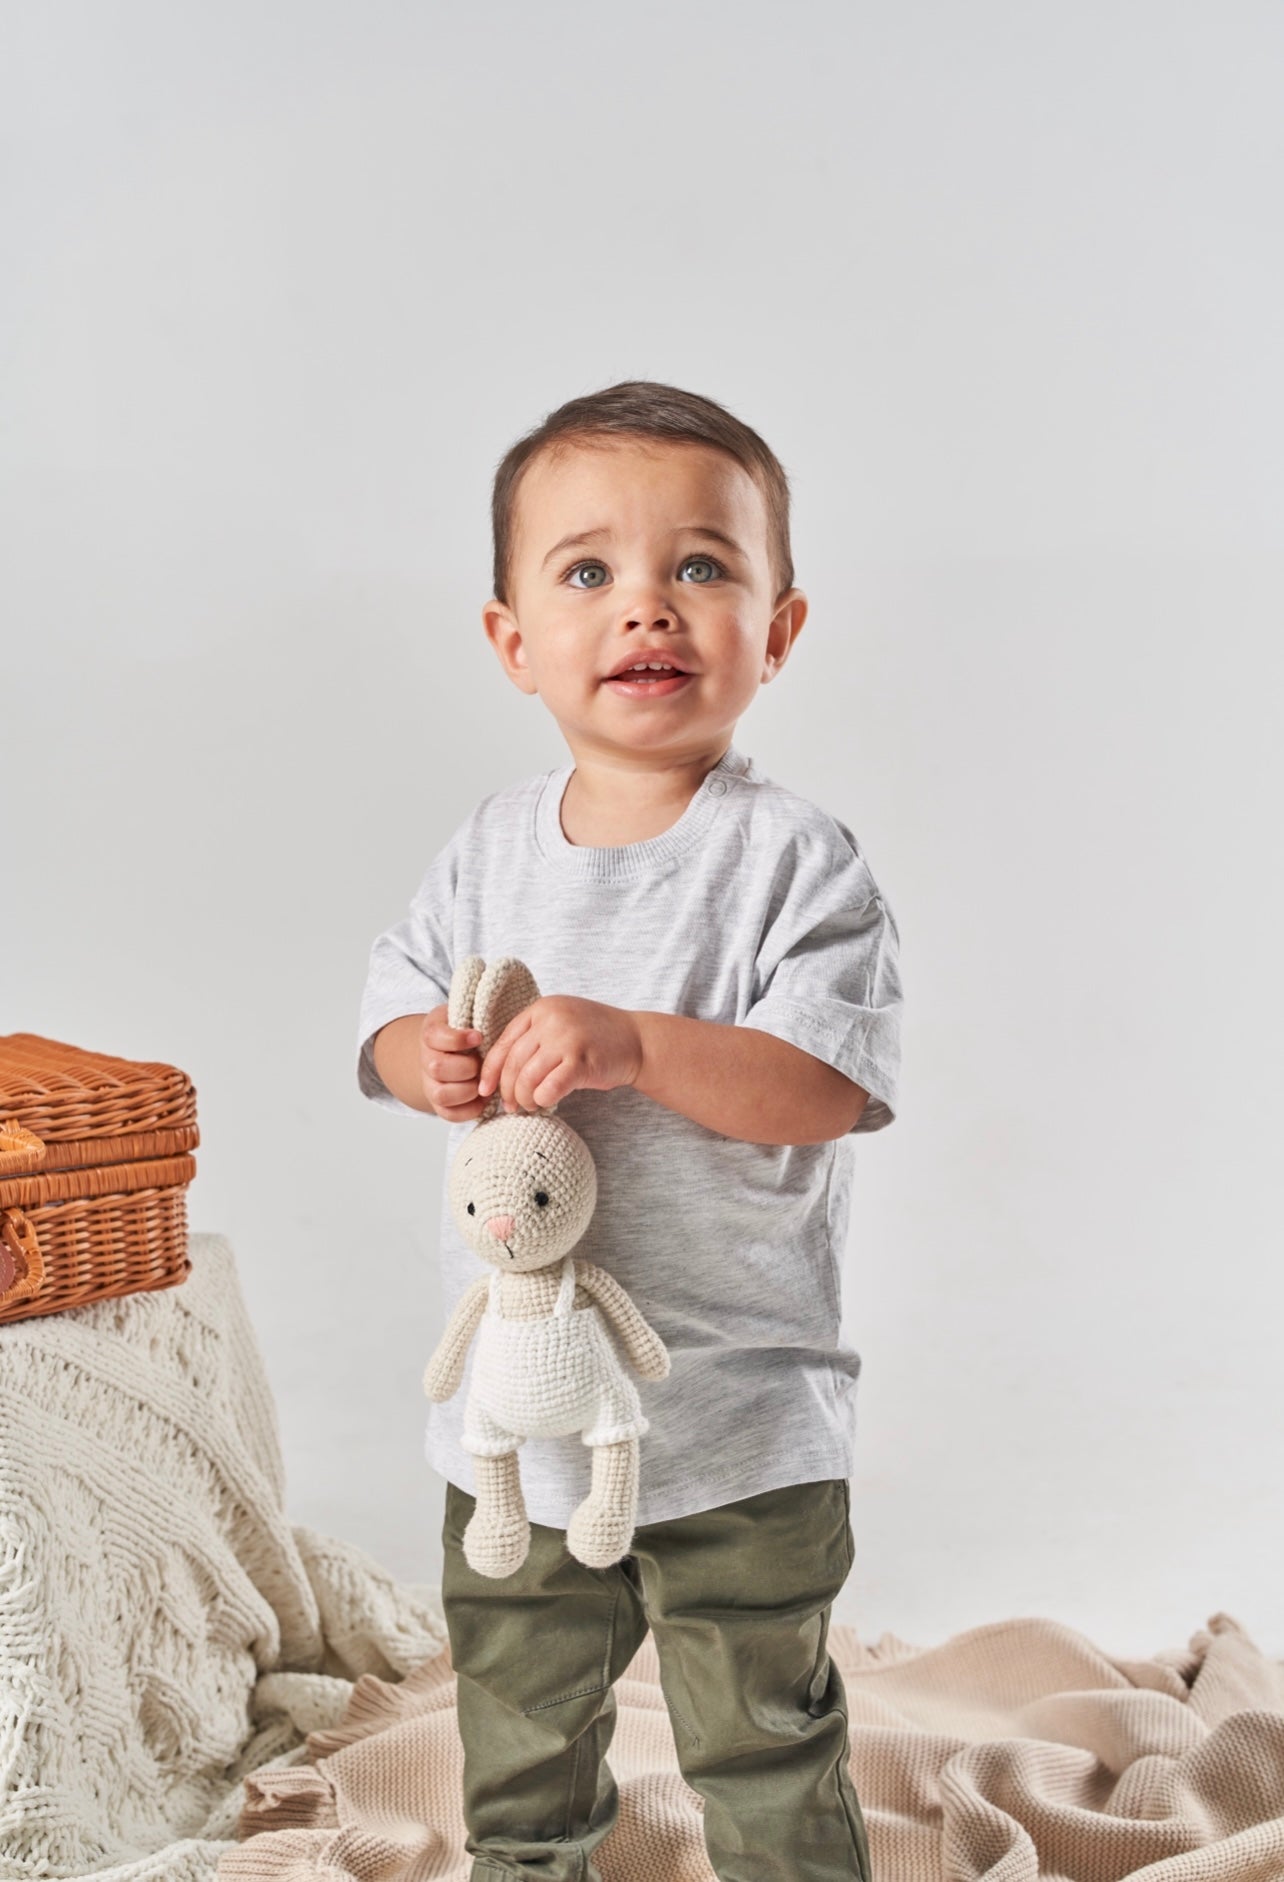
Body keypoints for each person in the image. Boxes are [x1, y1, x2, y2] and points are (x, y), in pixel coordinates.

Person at [355, 380, 903, 1881]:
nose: (648, 609)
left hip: (741, 1418)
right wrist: (435, 1059)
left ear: (779, 630)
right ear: (513, 638)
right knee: (519, 1726)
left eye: (703, 568)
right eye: (589, 572)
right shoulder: (488, 847)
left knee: (763, 1738)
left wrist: (641, 1043)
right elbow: (390, 1019)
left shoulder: (794, 861)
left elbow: (824, 1086)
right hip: (523, 1428)